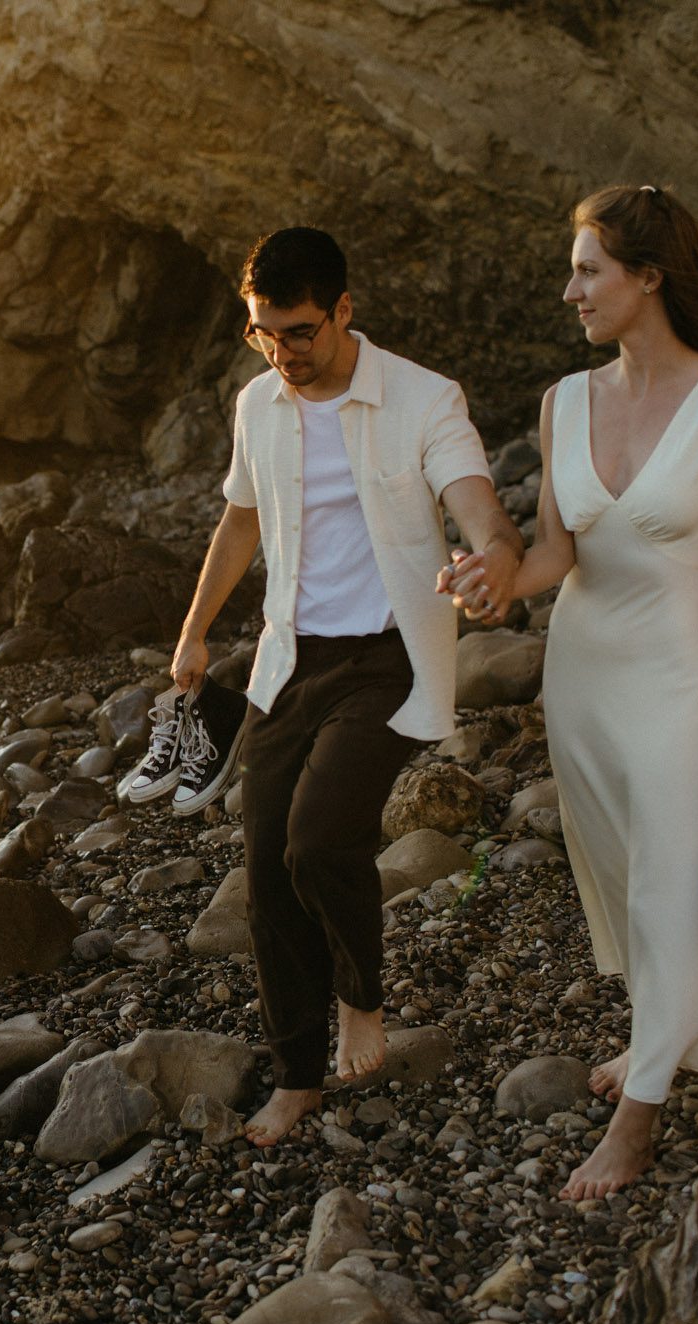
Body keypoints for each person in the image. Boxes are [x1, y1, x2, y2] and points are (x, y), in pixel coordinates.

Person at [443, 184, 698, 1199]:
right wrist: (493, 582)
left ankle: (638, 1116)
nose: (572, 292)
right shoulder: (564, 401)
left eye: (588, 271)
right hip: (582, 672)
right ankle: (667, 1026)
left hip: (676, 671)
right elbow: (556, 552)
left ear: (649, 277)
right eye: (574, 272)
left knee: (676, 872)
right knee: (628, 873)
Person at [172, 227, 523, 1147]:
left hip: (388, 655)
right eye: (265, 333)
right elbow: (240, 522)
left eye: (300, 332)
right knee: (267, 872)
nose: (283, 352)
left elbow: (477, 502)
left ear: (343, 311)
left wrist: (491, 556)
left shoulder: (423, 398)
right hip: (289, 660)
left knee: (320, 835)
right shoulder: (258, 404)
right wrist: (197, 629)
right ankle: (297, 1077)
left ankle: (361, 996)